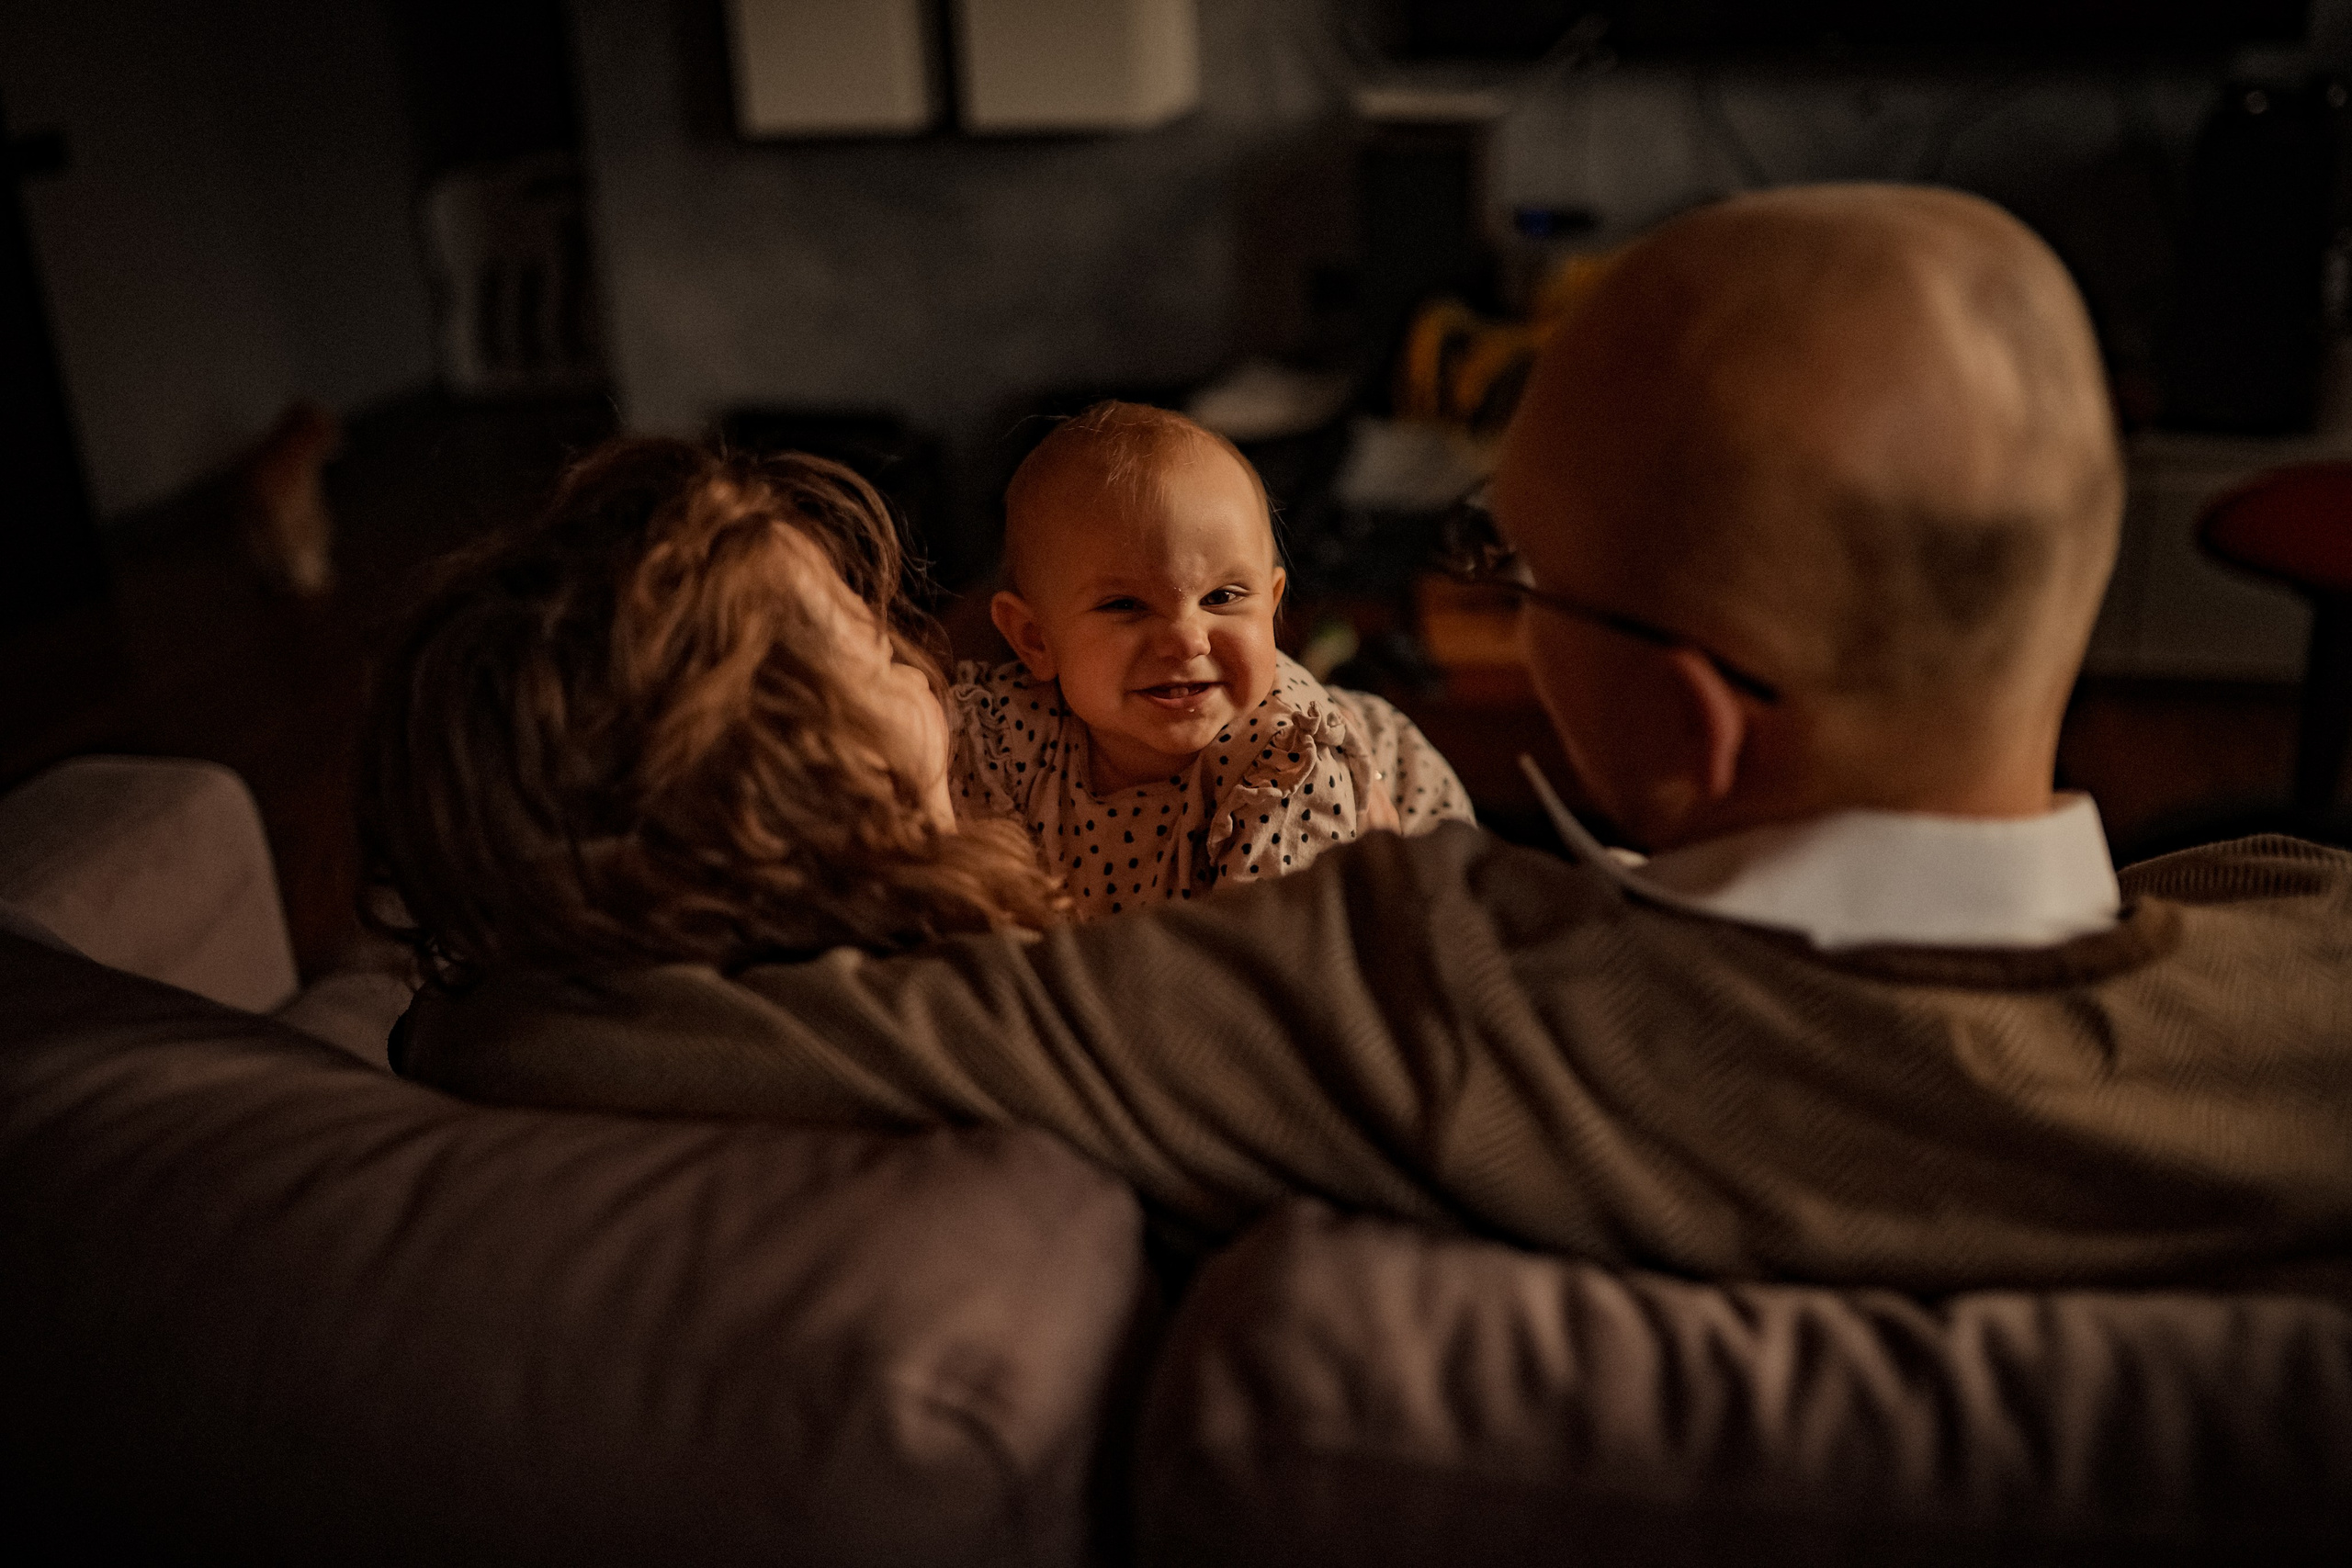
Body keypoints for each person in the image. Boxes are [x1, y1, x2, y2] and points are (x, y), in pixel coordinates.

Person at [393, 185, 2352, 1291]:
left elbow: (540, 1034)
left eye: (1520, 568)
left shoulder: (1412, 999)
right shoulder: (2310, 955)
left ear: (1682, 720)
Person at [359, 438, 1065, 985]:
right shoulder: (993, 994)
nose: (916, 672)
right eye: (880, 652)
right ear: (810, 792)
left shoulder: (478, 1025)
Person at [953, 401, 1472, 919]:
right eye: (1126, 605)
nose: (1187, 641)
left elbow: (1269, 962)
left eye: (1222, 597)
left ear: (1271, 607)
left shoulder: (1285, 763)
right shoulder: (1002, 733)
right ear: (1035, 640)